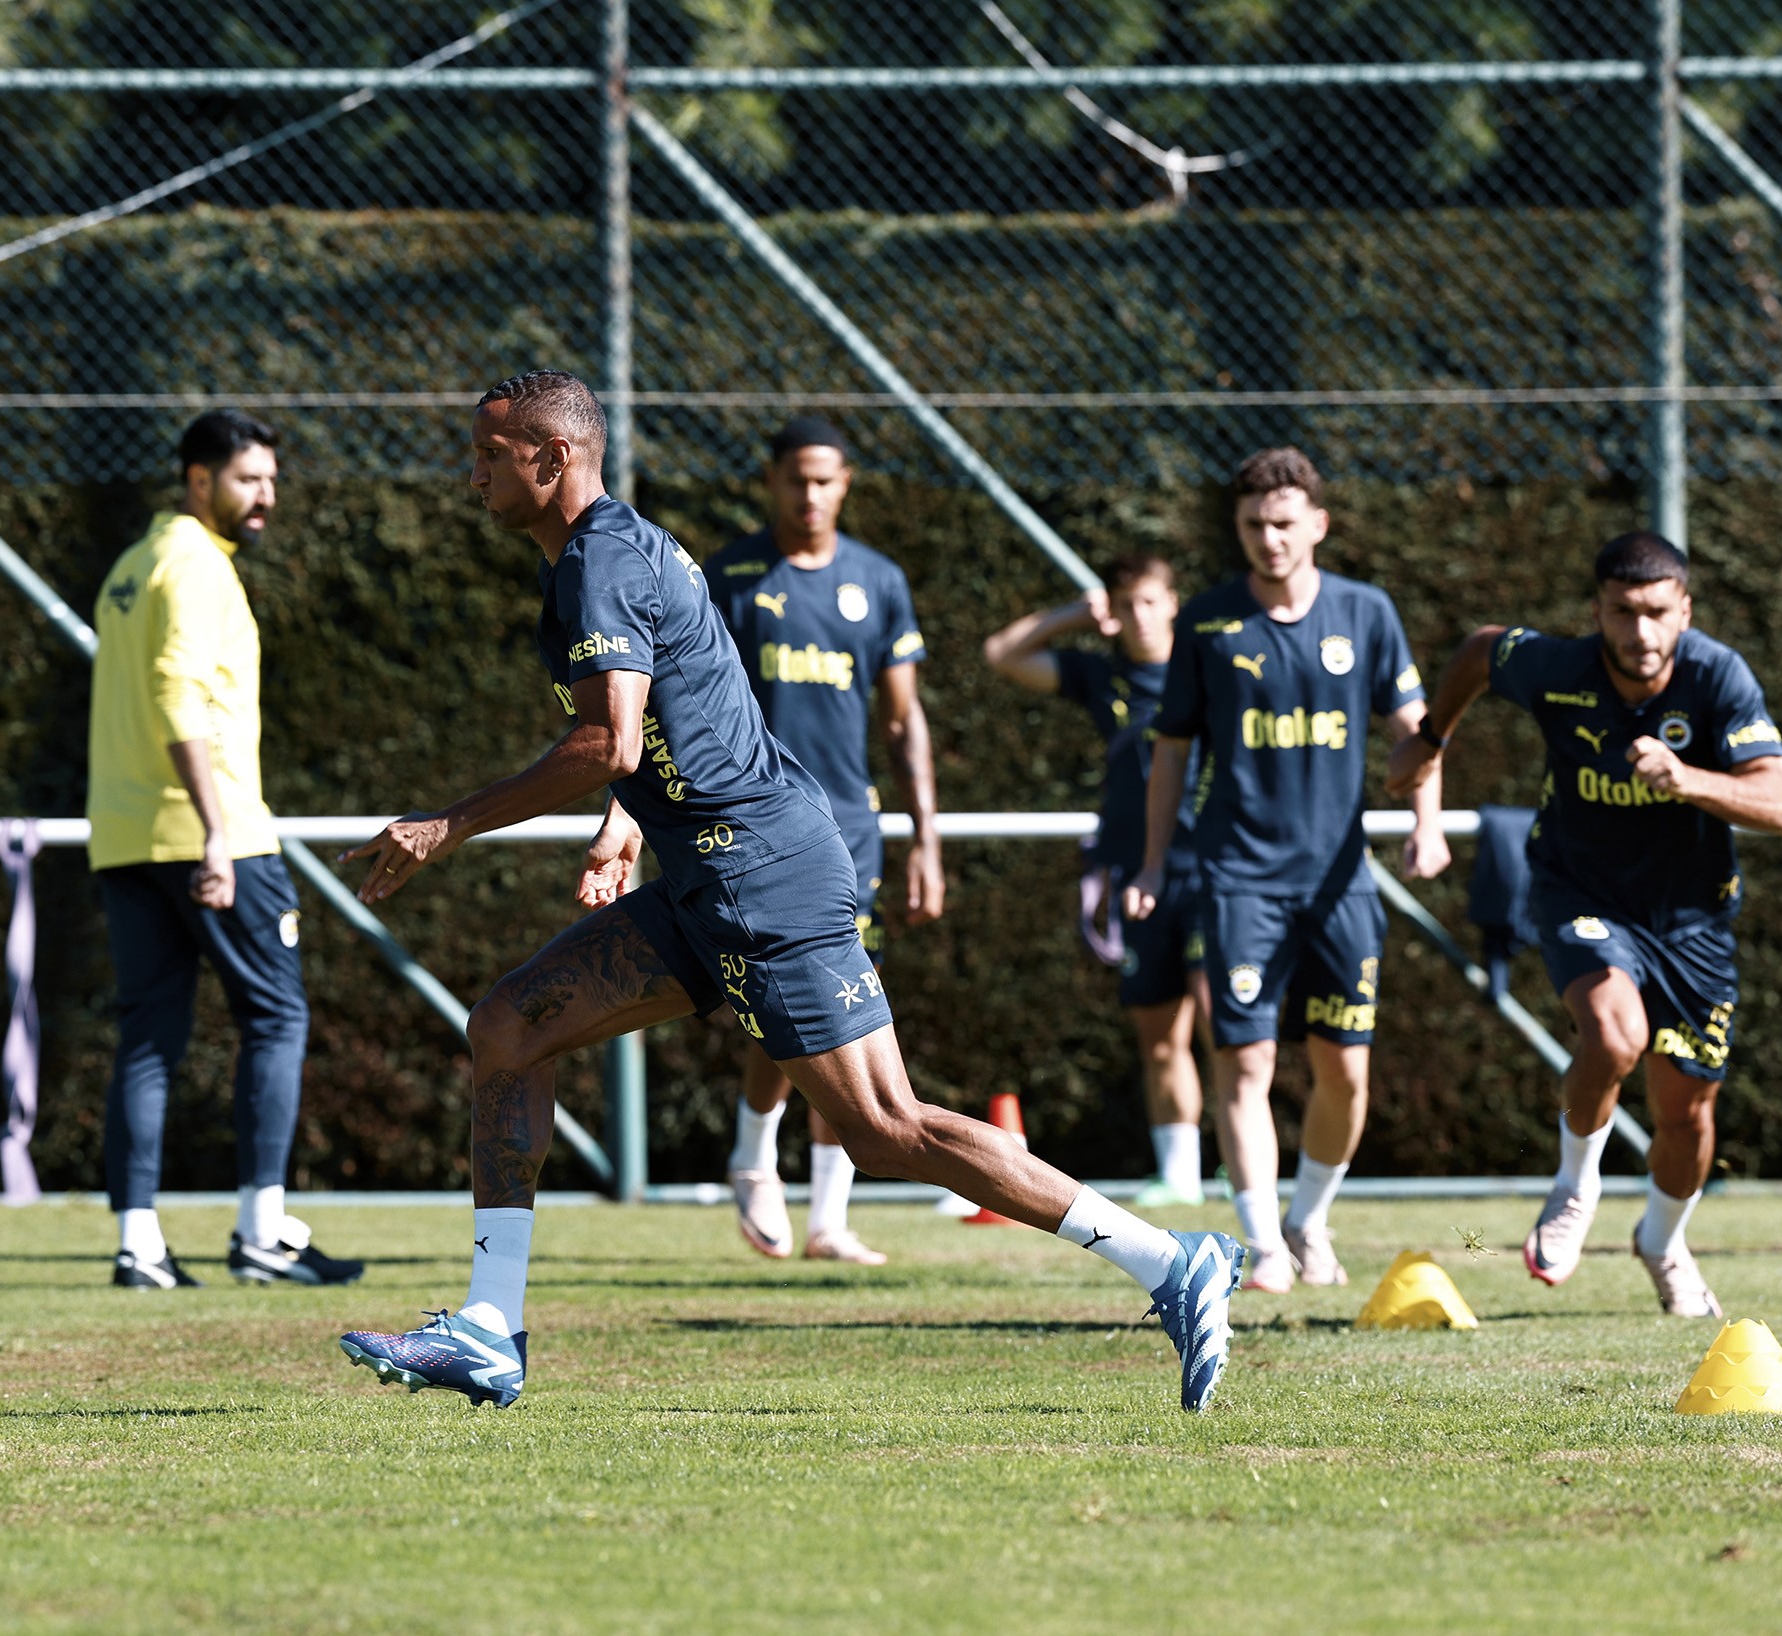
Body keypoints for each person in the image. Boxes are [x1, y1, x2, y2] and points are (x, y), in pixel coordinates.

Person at [335, 370, 1245, 1412]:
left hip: (759, 872)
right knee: (506, 1026)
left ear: (553, 458)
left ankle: (1172, 1263)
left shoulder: (597, 563)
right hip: (710, 872)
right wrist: (629, 827)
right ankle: (492, 1327)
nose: (472, 474)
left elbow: (609, 739)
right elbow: (681, 718)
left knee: (885, 1128)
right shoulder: (610, 549)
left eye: (490, 455)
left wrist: (447, 822)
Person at [1388, 531, 1782, 1316]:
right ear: (1597, 611)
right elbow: (1480, 649)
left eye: (1654, 613)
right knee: (1614, 1038)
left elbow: (1781, 806)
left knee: (1688, 1114)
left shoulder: (1718, 678)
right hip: (1580, 892)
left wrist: (1686, 779)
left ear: (1685, 610)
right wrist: (1433, 738)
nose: (1638, 634)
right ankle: (1576, 1189)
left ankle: (1662, 1241)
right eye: (1620, 613)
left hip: (1692, 921)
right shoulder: (1560, 669)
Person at [1124, 448, 1449, 1294]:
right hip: (1237, 879)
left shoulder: (1366, 613)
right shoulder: (1208, 622)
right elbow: (1170, 754)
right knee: (1247, 1062)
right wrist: (1157, 860)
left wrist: (1427, 825)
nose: (1268, 540)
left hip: (1341, 884)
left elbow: (1418, 732)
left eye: (1282, 524)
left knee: (1345, 1069)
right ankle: (1264, 1241)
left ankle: (1309, 1215)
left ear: (1317, 525)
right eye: (1251, 526)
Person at [86, 409, 361, 1290]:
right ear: (198, 480)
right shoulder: (196, 567)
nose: (266, 496)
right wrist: (212, 828)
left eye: (272, 480)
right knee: (276, 1018)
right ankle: (263, 1233)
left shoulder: (131, 568)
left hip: (125, 839)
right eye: (249, 479)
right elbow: (175, 694)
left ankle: (139, 1246)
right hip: (219, 837)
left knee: (148, 1040)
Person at [703, 415, 944, 1266]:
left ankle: (830, 1218)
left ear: (846, 485)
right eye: (796, 479)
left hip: (849, 831)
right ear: (771, 481)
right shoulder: (730, 576)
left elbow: (904, 718)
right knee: (778, 1008)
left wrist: (928, 840)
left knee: (848, 1011)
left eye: (826, 479)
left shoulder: (878, 582)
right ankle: (753, 1157)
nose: (810, 495)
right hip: (753, 825)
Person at [985, 551, 1208, 1204]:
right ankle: (1184, 1178)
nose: (1140, 616)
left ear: (1173, 602)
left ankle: (1254, 1168)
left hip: (1212, 871)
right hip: (1136, 876)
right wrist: (1074, 616)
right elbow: (1003, 654)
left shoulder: (1208, 670)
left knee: (1229, 1026)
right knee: (1159, 1034)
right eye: (1126, 603)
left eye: (1150, 601)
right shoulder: (1100, 674)